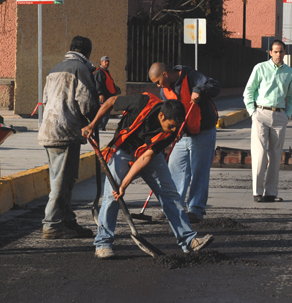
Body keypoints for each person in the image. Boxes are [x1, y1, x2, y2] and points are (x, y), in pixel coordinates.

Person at [82, 93, 214, 258]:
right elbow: (111, 101)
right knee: (112, 195)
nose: (174, 130)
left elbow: (145, 157)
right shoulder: (141, 101)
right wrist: (93, 124)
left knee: (170, 195)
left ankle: (189, 241)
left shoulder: (173, 129)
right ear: (161, 116)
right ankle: (103, 244)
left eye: (176, 127)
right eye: (171, 126)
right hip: (123, 149)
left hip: (148, 155)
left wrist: (124, 184)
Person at [38, 36, 100, 239]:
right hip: (65, 131)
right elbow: (87, 103)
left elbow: (46, 99)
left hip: (49, 129)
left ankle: (66, 219)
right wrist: (94, 121)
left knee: (65, 179)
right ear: (87, 53)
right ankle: (52, 224)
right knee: (61, 180)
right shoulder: (81, 69)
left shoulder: (55, 68)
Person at [148, 62, 221, 223]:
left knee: (199, 172)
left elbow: (214, 86)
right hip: (181, 135)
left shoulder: (192, 77)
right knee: (175, 171)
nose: (158, 85)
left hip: (203, 132)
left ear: (165, 74)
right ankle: (173, 207)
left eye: (158, 81)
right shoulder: (164, 91)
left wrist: (199, 90)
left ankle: (196, 209)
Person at [243, 39, 292, 203]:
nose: (279, 54)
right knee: (260, 154)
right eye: (276, 51)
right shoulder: (260, 68)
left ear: (285, 53)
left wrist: (288, 114)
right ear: (270, 52)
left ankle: (271, 192)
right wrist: (252, 112)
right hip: (261, 113)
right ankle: (257, 192)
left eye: (281, 51)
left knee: (275, 156)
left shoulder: (289, 73)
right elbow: (249, 91)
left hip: (280, 116)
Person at [93, 56, 121, 130]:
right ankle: (100, 128)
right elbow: (98, 84)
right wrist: (100, 94)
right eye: (105, 61)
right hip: (103, 97)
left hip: (108, 96)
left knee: (106, 112)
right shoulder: (99, 72)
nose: (107, 63)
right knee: (104, 112)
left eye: (108, 61)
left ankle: (102, 127)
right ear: (101, 62)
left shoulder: (105, 72)